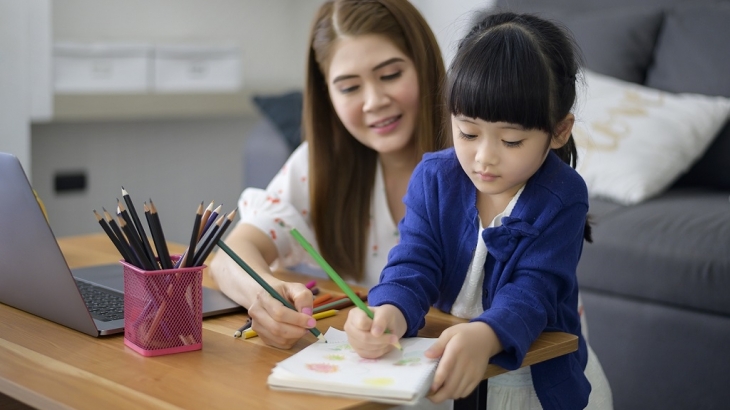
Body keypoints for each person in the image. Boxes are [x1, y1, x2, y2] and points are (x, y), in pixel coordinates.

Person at [343, 11, 613, 410]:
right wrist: (389, 311)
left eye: (512, 141)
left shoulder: (563, 195)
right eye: (467, 133)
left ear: (559, 131)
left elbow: (534, 292)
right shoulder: (434, 177)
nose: (484, 158)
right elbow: (414, 260)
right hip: (454, 370)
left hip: (531, 380)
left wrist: (486, 334)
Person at [209, 0, 450, 349]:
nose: (373, 101)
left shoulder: (481, 160)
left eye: (390, 75)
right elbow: (229, 257)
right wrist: (264, 293)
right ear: (327, 95)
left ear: (424, 66)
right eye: (350, 87)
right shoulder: (320, 166)